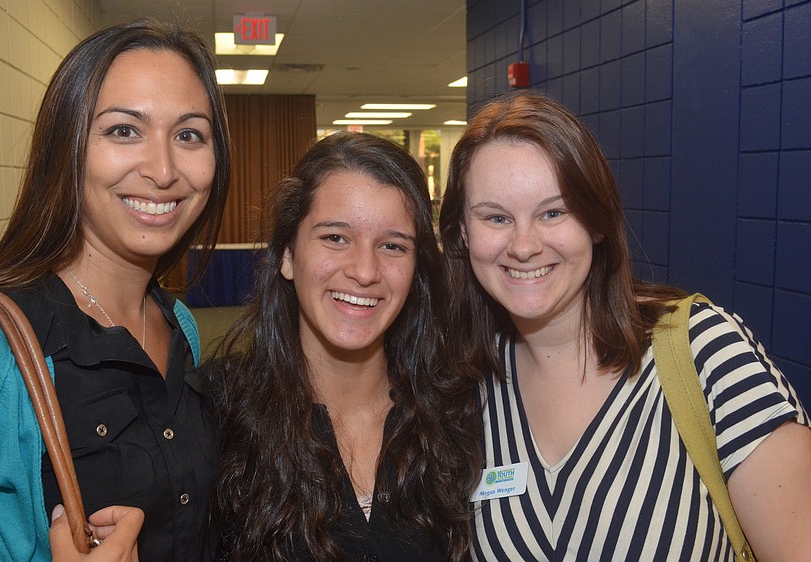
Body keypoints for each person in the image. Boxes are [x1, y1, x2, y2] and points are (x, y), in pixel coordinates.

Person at [438, 90, 811, 561]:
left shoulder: (705, 353)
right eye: (496, 217)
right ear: (464, 233)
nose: (524, 245)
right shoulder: (463, 389)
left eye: (553, 212)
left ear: (596, 221)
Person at [0, 18, 230, 561]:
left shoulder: (180, 326)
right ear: (67, 148)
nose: (163, 170)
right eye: (124, 130)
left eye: (188, 135)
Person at [206, 131, 483, 561]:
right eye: (335, 238)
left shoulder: (459, 413)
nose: (365, 271)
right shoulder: (215, 411)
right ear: (288, 254)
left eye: (392, 245)